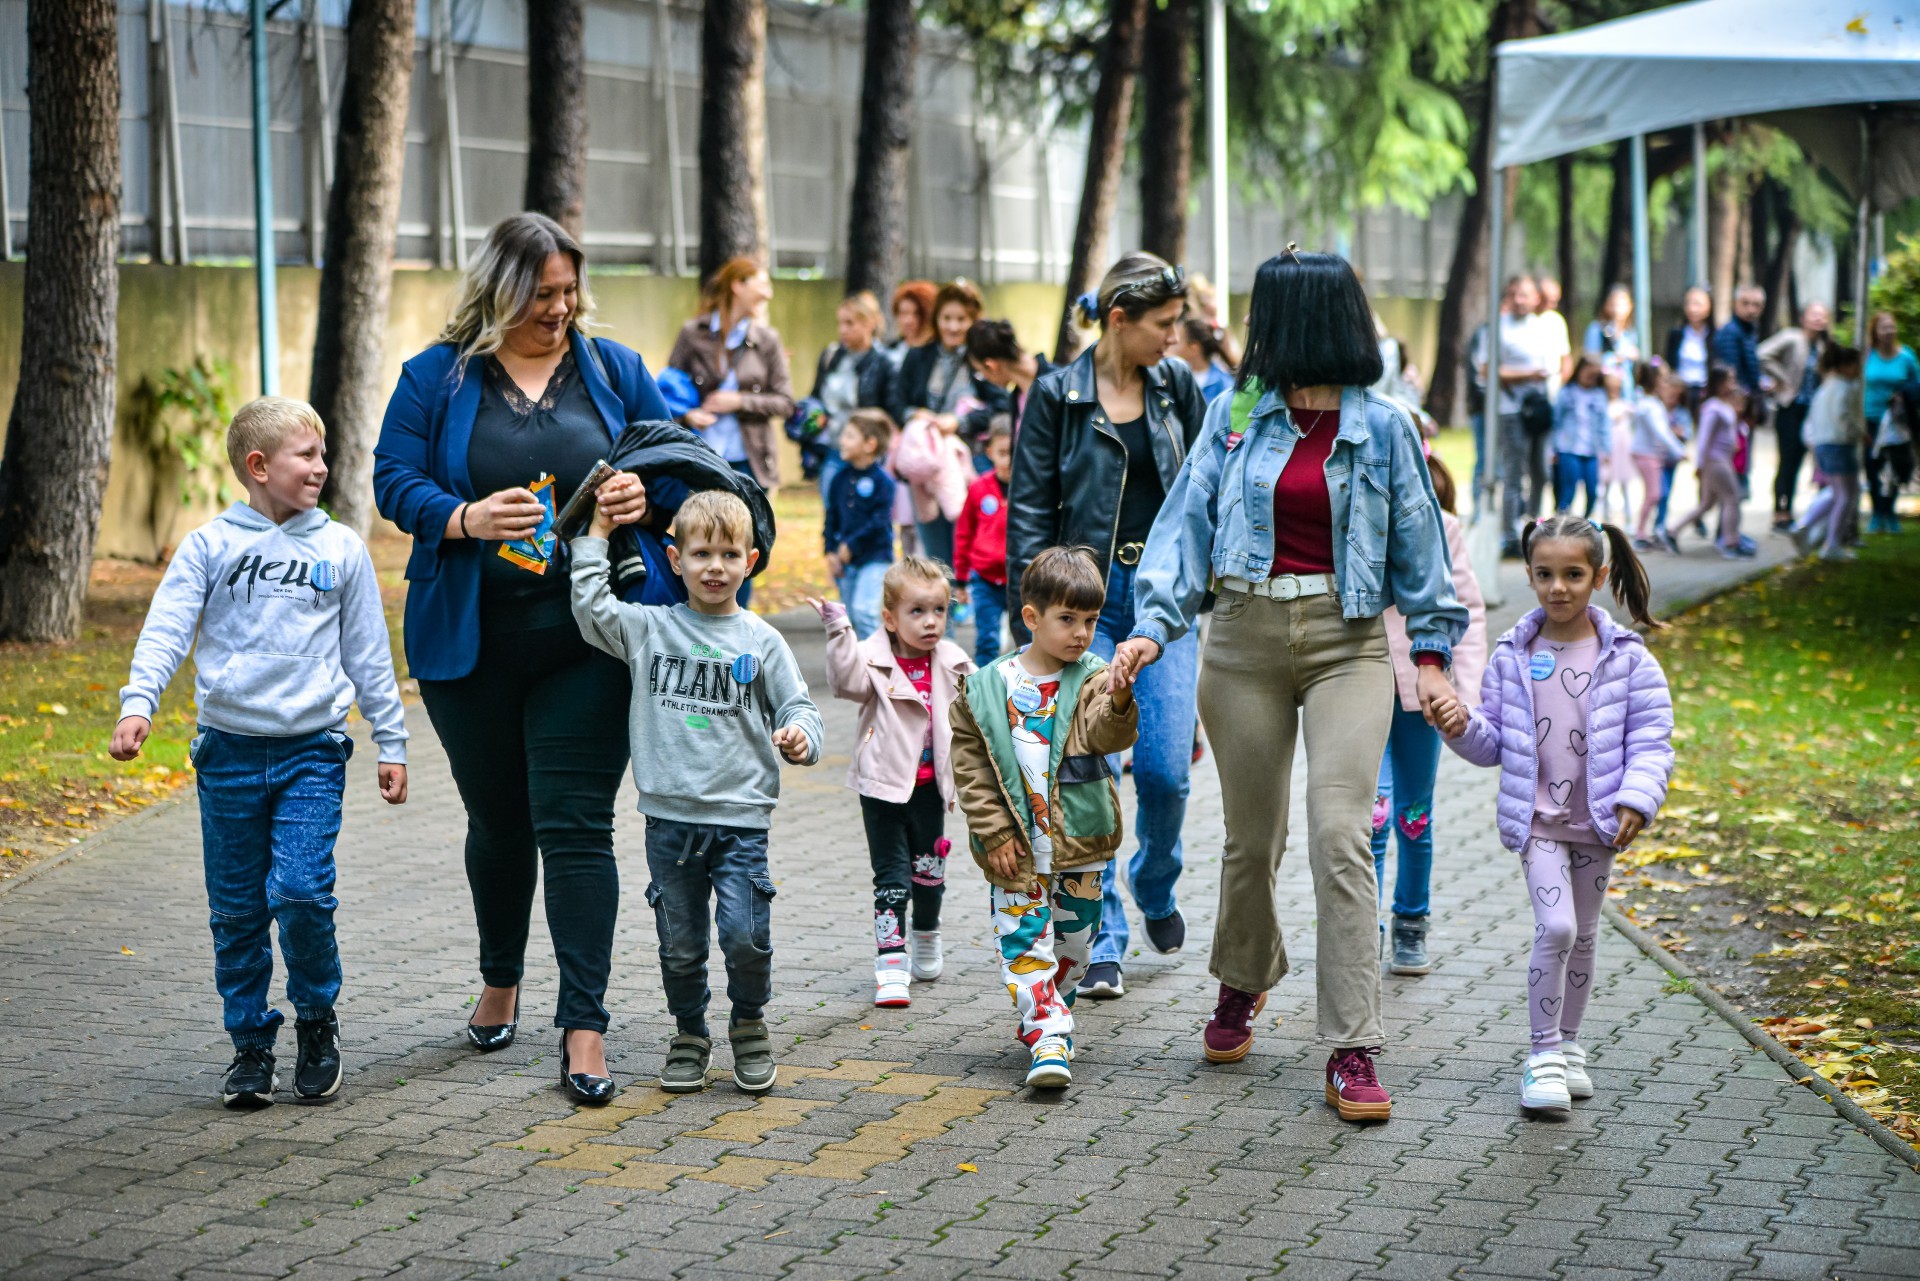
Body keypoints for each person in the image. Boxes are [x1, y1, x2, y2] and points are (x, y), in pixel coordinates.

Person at [1111, 249, 1468, 1122]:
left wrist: (1430, 652)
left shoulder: (1384, 426)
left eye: (1265, 312)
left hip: (1348, 643)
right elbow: (1184, 520)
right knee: (1251, 840)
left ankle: (1353, 1044)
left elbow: (1421, 545)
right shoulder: (1235, 415)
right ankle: (1243, 980)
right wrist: (1153, 628)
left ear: (1302, 319)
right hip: (1242, 639)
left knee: (1341, 832)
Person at [372, 212, 674, 1091]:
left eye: (570, 290)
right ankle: (499, 977)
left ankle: (585, 1026)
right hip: (470, 648)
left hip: (591, 639)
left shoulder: (612, 369)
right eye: (543, 293)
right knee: (499, 823)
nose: (561, 307)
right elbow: (393, 477)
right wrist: (462, 517)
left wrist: (639, 495)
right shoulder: (437, 376)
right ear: (501, 289)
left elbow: (675, 464)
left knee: (575, 826)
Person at [114, 395, 409, 1109]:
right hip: (229, 755)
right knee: (238, 910)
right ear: (258, 465)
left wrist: (390, 739)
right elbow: (166, 630)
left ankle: (316, 1020)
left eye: (322, 453)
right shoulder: (211, 545)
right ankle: (250, 1044)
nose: (322, 466)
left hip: (312, 750)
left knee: (302, 892)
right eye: (306, 455)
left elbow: (369, 654)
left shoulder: (339, 548)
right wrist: (137, 703)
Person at [569, 488, 823, 1098]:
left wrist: (799, 738)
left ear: (751, 561)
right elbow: (591, 606)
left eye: (729, 554)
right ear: (674, 558)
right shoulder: (649, 629)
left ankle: (749, 1022)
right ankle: (689, 1033)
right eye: (701, 552)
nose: (715, 566)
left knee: (744, 935)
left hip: (742, 822)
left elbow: (799, 705)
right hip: (669, 824)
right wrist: (595, 534)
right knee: (680, 945)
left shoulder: (761, 640)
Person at [1008, 251, 1207, 1000]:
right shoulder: (1057, 395)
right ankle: (1108, 936)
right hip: (1082, 603)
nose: (1175, 337)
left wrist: (1202, 589)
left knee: (1162, 771)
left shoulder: (1177, 386)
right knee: (1091, 774)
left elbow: (1199, 494)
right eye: (1163, 324)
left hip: (1163, 604)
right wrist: (1028, 622)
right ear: (1118, 320)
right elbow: (1029, 507)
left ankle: (1155, 880)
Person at [1434, 514, 1673, 1117]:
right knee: (1558, 928)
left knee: (1586, 937)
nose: (1557, 587)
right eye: (1544, 574)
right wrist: (1461, 727)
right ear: (1530, 575)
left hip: (1596, 824)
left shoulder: (1628, 659)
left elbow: (1652, 740)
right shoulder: (1514, 653)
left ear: (1599, 575)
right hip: (1537, 823)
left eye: (1572, 574)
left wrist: (1636, 799)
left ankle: (1568, 1046)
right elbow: (1493, 742)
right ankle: (1541, 1056)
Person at [949, 545, 1139, 1088]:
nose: (1081, 633)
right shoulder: (987, 686)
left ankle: (1049, 1010)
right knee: (1025, 945)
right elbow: (971, 765)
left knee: (1074, 952)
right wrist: (994, 830)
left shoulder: (1096, 678)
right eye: (1067, 620)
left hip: (1080, 843)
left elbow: (1110, 732)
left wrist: (1122, 699)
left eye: (1090, 621)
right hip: (1016, 849)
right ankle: (1050, 1032)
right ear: (1031, 618)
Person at [814, 557, 973, 1007]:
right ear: (889, 617)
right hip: (882, 787)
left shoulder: (955, 662)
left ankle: (926, 934)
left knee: (929, 875)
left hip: (930, 791)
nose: (930, 622)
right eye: (917, 612)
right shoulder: (871, 658)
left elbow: (978, 715)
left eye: (939, 610)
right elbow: (845, 683)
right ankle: (890, 963)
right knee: (891, 878)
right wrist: (839, 630)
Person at [1371, 452, 1486, 978]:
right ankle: (1361, 927)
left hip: (1424, 695)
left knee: (1413, 816)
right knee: (1368, 814)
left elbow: (1469, 607)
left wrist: (1472, 695)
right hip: (1363, 688)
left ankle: (1411, 922)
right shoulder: (1358, 519)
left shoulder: (1444, 527)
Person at [669, 256, 796, 493]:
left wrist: (738, 401)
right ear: (738, 285)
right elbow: (668, 392)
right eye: (762, 285)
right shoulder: (692, 334)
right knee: (702, 530)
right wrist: (687, 416)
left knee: (750, 530)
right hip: (701, 459)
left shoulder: (768, 340)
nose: (768, 294)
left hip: (750, 464)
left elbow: (786, 403)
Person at [1487, 275, 1555, 549]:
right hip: (1511, 410)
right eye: (1514, 294)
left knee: (1541, 470)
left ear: (1535, 298)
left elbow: (1554, 365)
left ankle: (1535, 524)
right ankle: (1510, 534)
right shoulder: (1498, 328)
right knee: (1515, 472)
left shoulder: (1542, 327)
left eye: (1525, 294)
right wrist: (1528, 374)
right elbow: (1491, 371)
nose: (1519, 300)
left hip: (1539, 408)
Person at [823, 409, 899, 639]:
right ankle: (861, 666)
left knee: (864, 611)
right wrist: (829, 551)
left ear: (869, 444)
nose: (842, 441)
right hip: (846, 562)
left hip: (875, 557)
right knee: (852, 618)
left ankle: (877, 663)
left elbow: (880, 521)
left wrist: (852, 545)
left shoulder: (883, 481)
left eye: (849, 436)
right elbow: (831, 516)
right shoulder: (839, 478)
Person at [809, 291, 892, 501]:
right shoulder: (831, 356)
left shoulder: (884, 362)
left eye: (850, 323)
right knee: (834, 513)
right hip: (834, 450)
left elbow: (889, 410)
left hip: (868, 456)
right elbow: (816, 396)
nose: (843, 330)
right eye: (840, 323)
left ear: (870, 323)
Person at [1662, 367, 1751, 559]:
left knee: (1707, 503)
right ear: (1719, 383)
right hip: (1715, 461)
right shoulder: (1712, 407)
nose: (1733, 384)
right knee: (1731, 498)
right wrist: (1700, 465)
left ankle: (1672, 532)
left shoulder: (1722, 404)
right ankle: (1730, 542)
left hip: (1722, 459)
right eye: (1730, 380)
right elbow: (1703, 438)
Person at [1758, 302, 1832, 529]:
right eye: (1814, 315)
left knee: (1800, 460)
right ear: (1803, 318)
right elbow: (1762, 354)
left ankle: (1790, 510)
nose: (1818, 320)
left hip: (1810, 412)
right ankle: (1781, 511)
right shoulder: (1791, 338)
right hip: (1789, 407)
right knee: (1787, 459)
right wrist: (1782, 378)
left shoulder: (1822, 348)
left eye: (1822, 316)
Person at [1792, 344, 1866, 561]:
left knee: (1839, 492)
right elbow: (1843, 416)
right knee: (1846, 494)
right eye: (1856, 365)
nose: (1859, 370)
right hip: (1839, 445)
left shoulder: (1824, 389)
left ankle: (1806, 526)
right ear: (1846, 366)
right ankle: (1831, 543)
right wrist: (1859, 433)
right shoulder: (1843, 387)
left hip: (1824, 445)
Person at [953, 418, 1014, 669]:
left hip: (1020, 579)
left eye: (1014, 452)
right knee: (987, 639)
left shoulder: (1030, 488)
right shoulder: (979, 488)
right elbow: (964, 533)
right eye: (1002, 453)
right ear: (990, 453)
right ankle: (983, 691)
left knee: (1028, 639)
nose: (1009, 460)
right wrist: (960, 578)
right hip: (985, 579)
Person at [1864, 311, 1920, 534]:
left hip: (1897, 422)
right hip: (1871, 418)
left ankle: (1890, 512)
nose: (1888, 331)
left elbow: (1917, 385)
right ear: (1875, 332)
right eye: (1883, 327)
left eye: (1891, 327)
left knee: (1896, 468)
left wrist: (1903, 394)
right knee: (1872, 467)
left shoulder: (1906, 357)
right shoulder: (1868, 355)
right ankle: (1877, 512)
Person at [1630, 364, 1688, 547]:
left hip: (1649, 454)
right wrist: (1679, 450)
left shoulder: (1649, 403)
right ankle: (1640, 533)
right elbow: (1661, 432)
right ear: (1655, 382)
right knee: (1654, 494)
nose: (1666, 384)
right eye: (1663, 379)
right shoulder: (1651, 406)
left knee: (1656, 494)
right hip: (1647, 454)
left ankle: (1645, 531)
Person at [966, 319, 1055, 437]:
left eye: (981, 373)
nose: (985, 378)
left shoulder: (1059, 386)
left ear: (991, 366)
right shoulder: (1017, 397)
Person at [1552, 352, 1609, 516]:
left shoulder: (1599, 395)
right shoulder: (1566, 392)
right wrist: (1553, 448)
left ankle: (1585, 523)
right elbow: (1556, 421)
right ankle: (1562, 520)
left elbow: (1604, 424)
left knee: (1593, 491)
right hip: (1568, 448)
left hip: (1591, 449)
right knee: (1568, 489)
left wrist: (1606, 450)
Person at [1664, 285, 1714, 419]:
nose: (1692, 309)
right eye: (1688, 303)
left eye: (1697, 304)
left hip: (1705, 393)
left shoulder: (1714, 336)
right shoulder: (1676, 334)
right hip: (1681, 392)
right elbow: (1670, 364)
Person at [1582, 284, 1642, 385]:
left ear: (1630, 306)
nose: (1617, 309)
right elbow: (1590, 357)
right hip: (1602, 387)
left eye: (1621, 304)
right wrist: (1616, 357)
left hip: (1626, 388)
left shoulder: (1630, 333)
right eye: (1613, 304)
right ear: (1606, 304)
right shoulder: (1597, 329)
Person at [1174, 317, 1238, 403]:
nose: (1172, 344)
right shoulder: (1176, 379)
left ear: (1194, 348)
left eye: (1178, 342)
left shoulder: (1224, 385)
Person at [885, 280, 939, 367]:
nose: (908, 320)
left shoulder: (938, 353)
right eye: (903, 313)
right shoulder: (889, 351)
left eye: (916, 313)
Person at [1536, 276, 1575, 394]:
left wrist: (1561, 384)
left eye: (1555, 301)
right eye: (1547, 300)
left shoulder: (1556, 320)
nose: (1552, 305)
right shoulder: (1527, 319)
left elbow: (1566, 357)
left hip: (1553, 381)